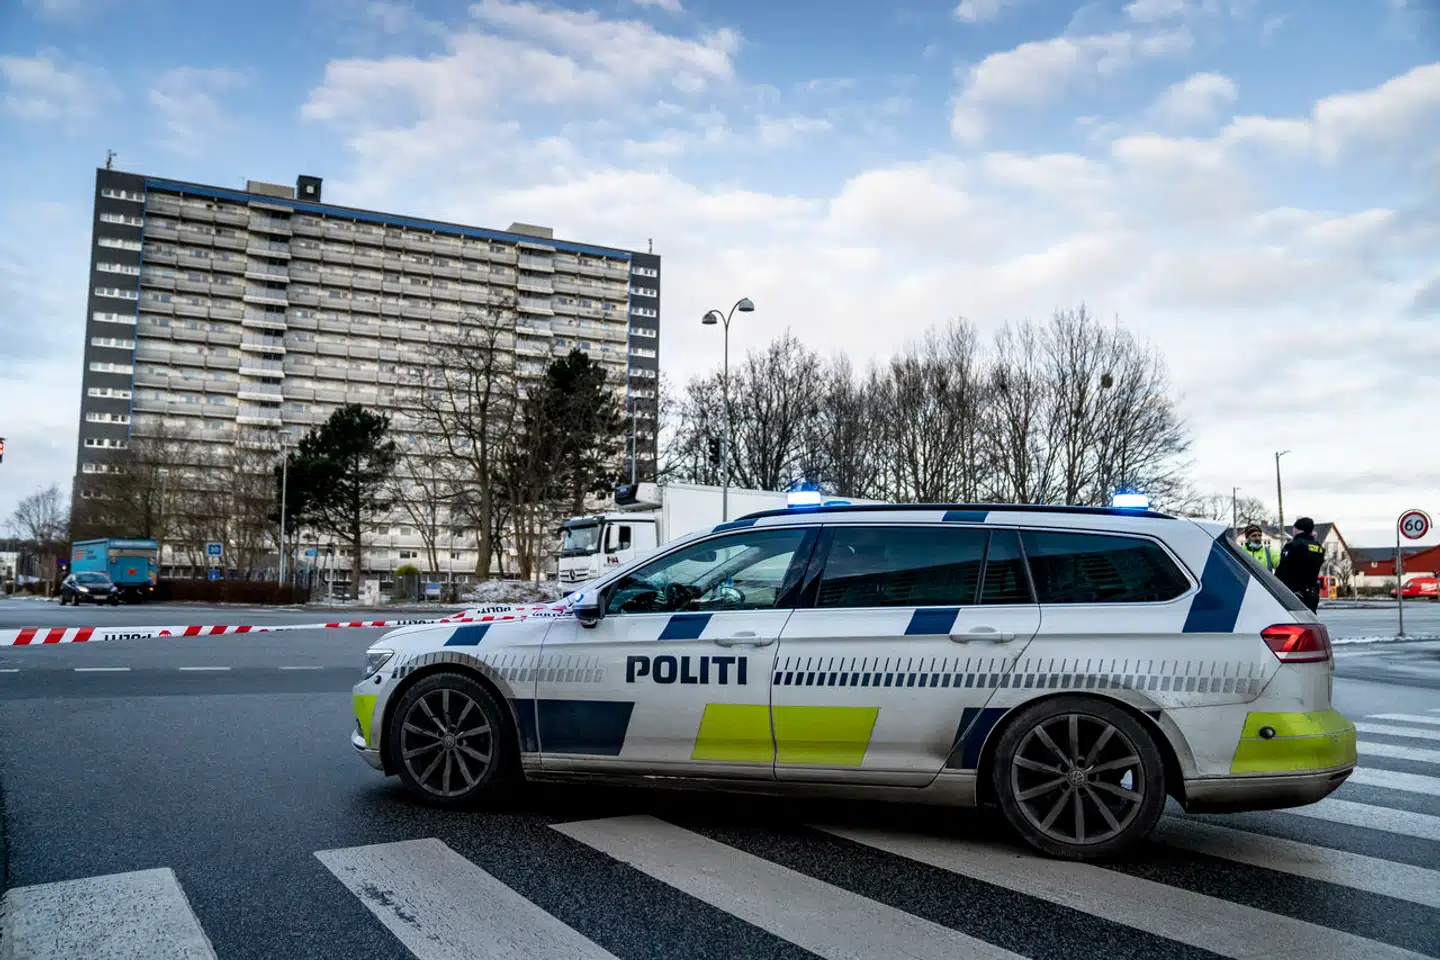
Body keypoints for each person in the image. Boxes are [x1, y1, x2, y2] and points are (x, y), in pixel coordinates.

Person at [1275, 516, 1326, 612]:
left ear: (1297, 529)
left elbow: (1282, 570)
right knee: (1309, 618)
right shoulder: (1319, 548)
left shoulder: (1292, 546)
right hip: (1311, 592)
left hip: (1293, 592)